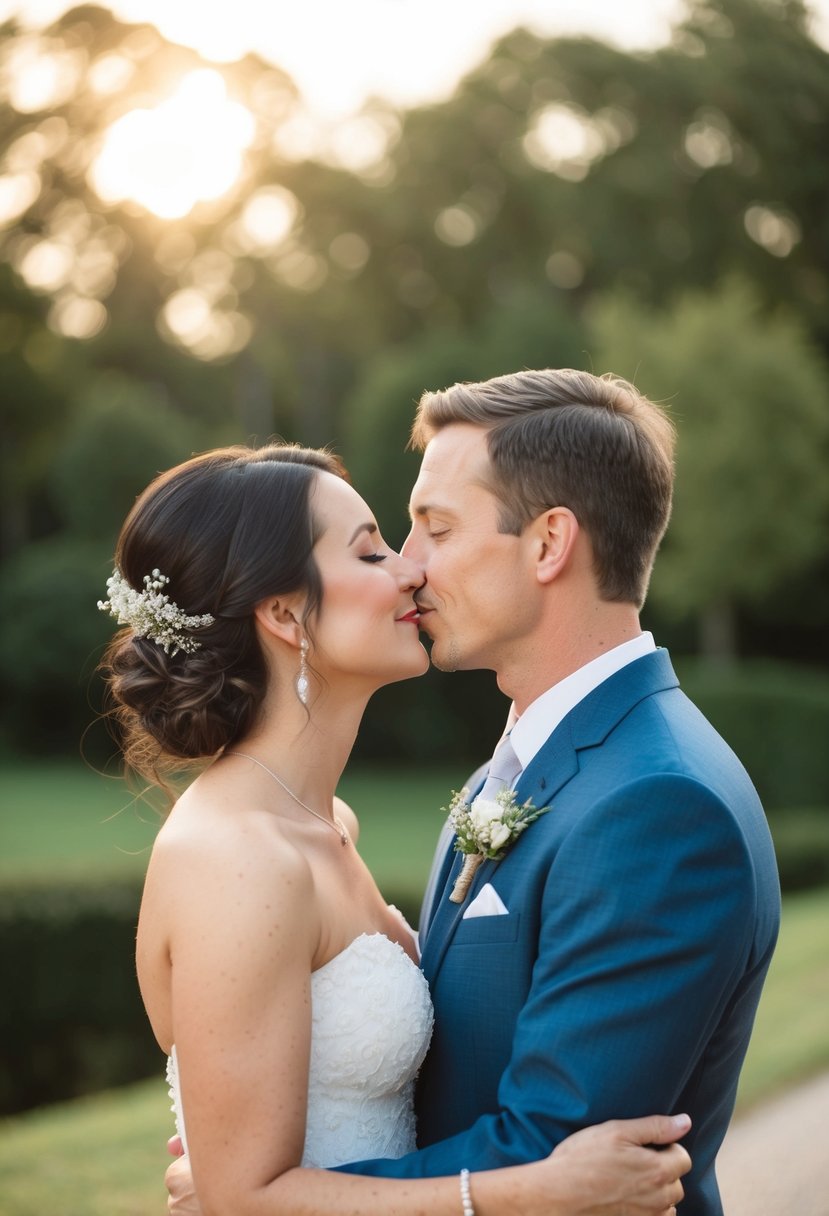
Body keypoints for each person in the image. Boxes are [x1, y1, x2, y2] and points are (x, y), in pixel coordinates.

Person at [168, 368, 778, 1215]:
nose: (408, 570)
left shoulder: (658, 807)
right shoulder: (533, 758)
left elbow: (550, 1159)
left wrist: (262, 1193)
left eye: (436, 530)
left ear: (547, 545)